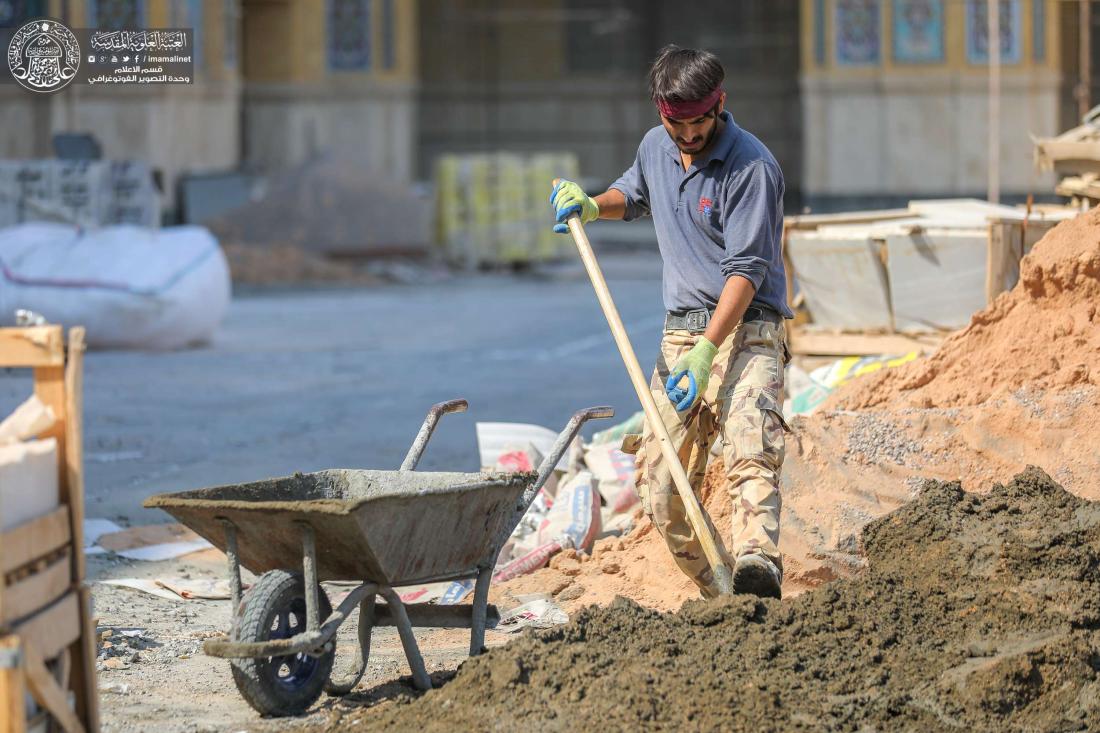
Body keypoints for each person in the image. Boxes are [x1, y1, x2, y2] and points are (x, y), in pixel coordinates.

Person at [549, 44, 793, 599]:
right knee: (660, 485)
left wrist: (710, 349)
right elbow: (631, 196)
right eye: (675, 123)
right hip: (680, 332)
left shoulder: (751, 167)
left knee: (749, 447)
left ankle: (760, 565)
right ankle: (726, 591)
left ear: (720, 104)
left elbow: (747, 271)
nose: (687, 135)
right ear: (662, 113)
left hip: (746, 328)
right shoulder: (656, 147)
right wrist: (591, 205)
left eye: (698, 122)